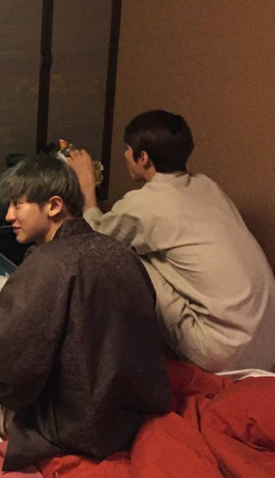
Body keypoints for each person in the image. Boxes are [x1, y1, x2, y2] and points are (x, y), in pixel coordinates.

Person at [0, 155, 170, 471]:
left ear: (53, 206)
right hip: (128, 418)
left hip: (63, 425)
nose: (9, 215)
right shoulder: (122, 252)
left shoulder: (46, 264)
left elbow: (10, 380)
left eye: (18, 204)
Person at [68, 109, 275, 373]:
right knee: (155, 252)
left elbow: (96, 239)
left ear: (143, 157)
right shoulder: (206, 185)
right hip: (266, 342)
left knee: (126, 256)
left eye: (128, 149)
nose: (125, 155)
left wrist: (86, 186)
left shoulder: (146, 204)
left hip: (221, 349)